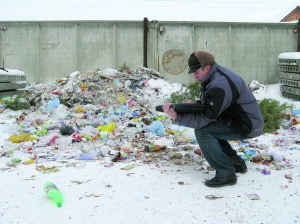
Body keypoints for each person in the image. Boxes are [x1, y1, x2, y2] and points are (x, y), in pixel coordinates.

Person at [162, 50, 264, 187]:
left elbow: (204, 119)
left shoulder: (220, 84)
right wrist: (194, 105)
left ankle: (226, 173)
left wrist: (177, 117)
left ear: (207, 68)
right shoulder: (215, 76)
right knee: (212, 129)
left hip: (247, 125)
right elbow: (212, 107)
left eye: (197, 73)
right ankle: (235, 163)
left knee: (203, 131)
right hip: (240, 121)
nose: (195, 77)